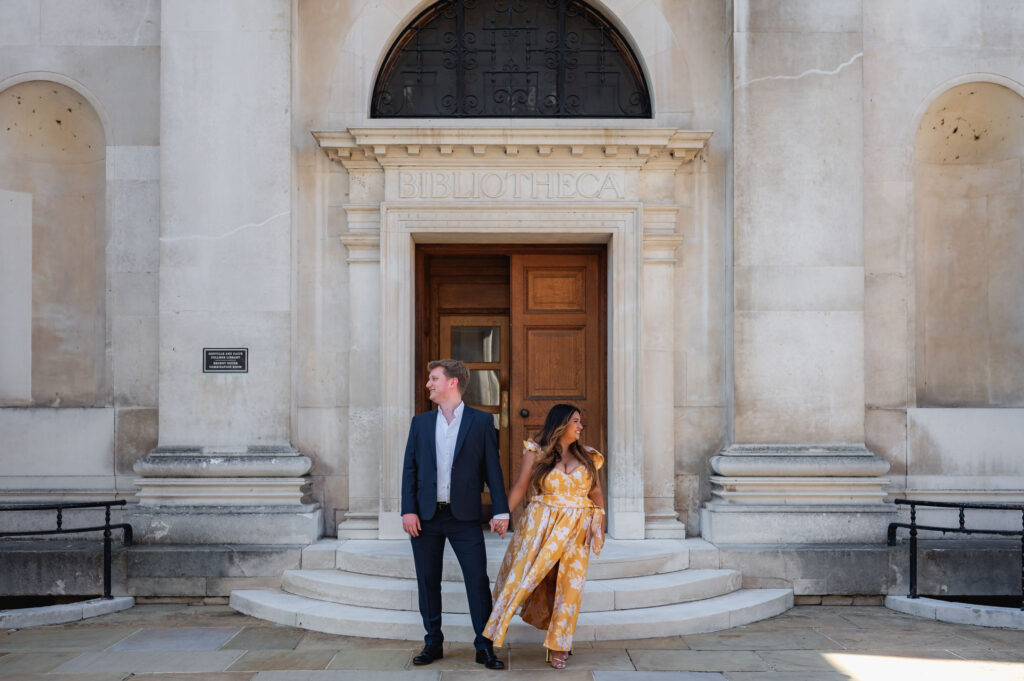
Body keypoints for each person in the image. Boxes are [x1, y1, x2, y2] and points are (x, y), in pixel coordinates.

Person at [401, 358, 510, 670]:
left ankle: (484, 647)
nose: (428, 385)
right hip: (425, 516)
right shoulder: (420, 423)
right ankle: (433, 643)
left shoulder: (481, 422)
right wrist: (408, 510)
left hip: (464, 518)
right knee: (427, 580)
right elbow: (410, 470)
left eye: (433, 379)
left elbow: (493, 469)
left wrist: (500, 510)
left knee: (477, 580)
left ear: (452, 382)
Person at [483, 403, 606, 669]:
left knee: (570, 586)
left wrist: (600, 523)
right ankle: (501, 628)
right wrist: (501, 515)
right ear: (561, 424)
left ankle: (559, 645)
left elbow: (595, 492)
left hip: (577, 528)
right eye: (576, 421)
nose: (580, 426)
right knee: (538, 580)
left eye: (580, 422)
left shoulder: (588, 456)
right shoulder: (536, 453)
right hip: (541, 525)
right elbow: (520, 486)